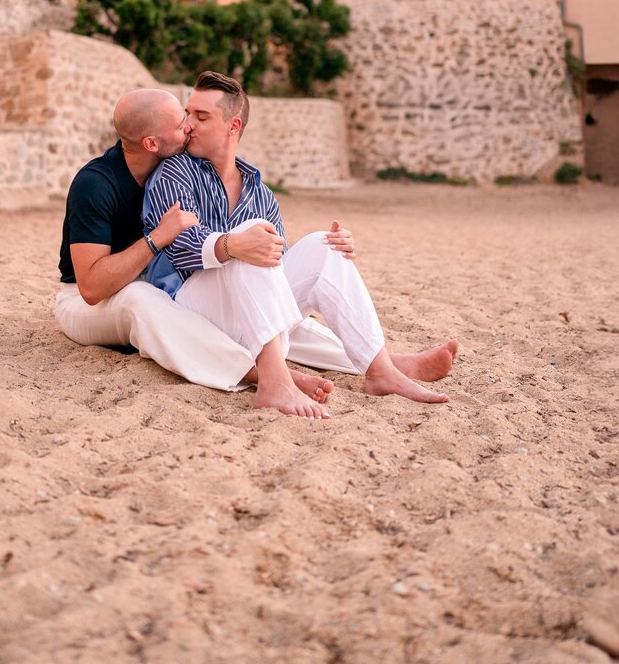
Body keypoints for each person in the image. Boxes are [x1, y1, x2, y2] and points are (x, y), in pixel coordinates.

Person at [143, 71, 459, 419]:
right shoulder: (175, 172)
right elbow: (178, 247)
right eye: (188, 113)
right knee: (257, 236)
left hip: (249, 310)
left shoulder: (260, 192)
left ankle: (382, 371)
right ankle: (275, 383)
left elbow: (278, 273)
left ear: (233, 126)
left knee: (322, 244)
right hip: (193, 307)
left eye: (200, 116)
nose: (188, 124)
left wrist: (333, 253)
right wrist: (235, 245)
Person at [55, 88, 285, 392]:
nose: (189, 125)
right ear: (151, 143)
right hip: (85, 305)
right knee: (141, 299)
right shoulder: (95, 185)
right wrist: (156, 238)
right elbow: (91, 288)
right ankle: (258, 375)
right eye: (180, 124)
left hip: (152, 290)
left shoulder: (174, 175)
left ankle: (340, 360)